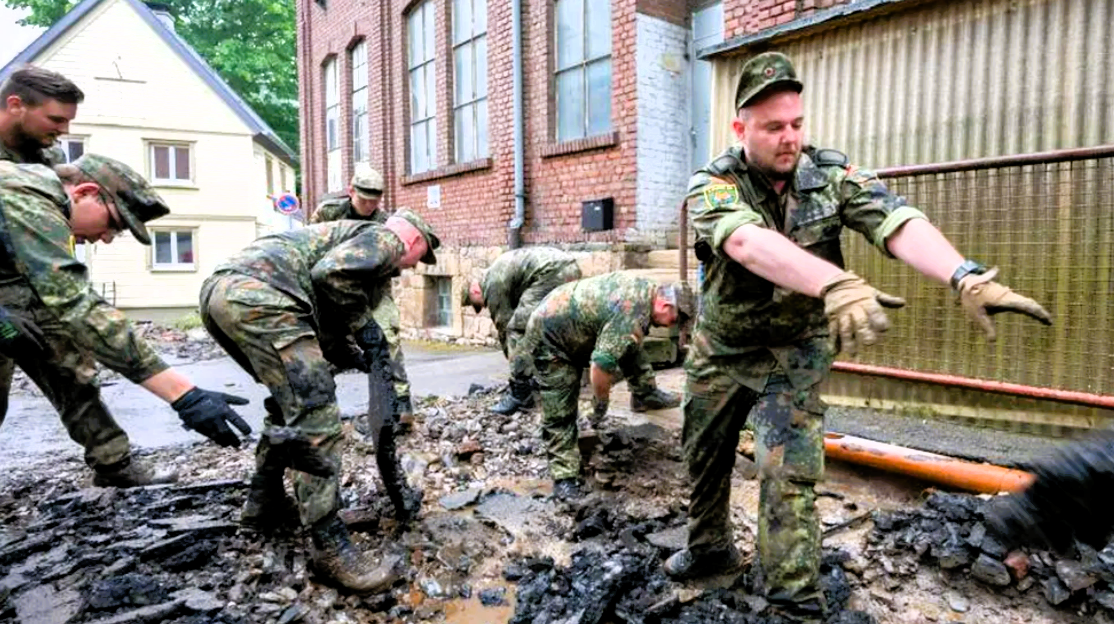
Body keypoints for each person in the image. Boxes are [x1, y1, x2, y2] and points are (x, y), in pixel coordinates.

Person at [665, 51, 1053, 618]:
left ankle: (792, 600)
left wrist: (961, 273)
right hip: (722, 350)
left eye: (797, 123)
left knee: (788, 474)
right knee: (704, 456)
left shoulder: (829, 174)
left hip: (794, 355)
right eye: (774, 127)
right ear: (740, 127)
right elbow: (746, 243)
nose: (789, 138)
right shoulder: (713, 182)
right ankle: (710, 550)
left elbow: (895, 220)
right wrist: (837, 283)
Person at [198, 208, 440, 591]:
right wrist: (365, 327)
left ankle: (265, 504)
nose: (404, 269)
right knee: (316, 412)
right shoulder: (386, 240)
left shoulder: (340, 235)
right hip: (261, 298)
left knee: (289, 403)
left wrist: (346, 352)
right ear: (412, 241)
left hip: (223, 294)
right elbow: (330, 275)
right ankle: (328, 545)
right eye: (416, 258)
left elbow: (320, 294)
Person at [0, 154, 254, 487]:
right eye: (115, 223)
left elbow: (72, 305)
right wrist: (183, 394)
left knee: (70, 364)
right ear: (86, 193)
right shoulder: (21, 192)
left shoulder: (50, 215)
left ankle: (113, 463)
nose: (106, 238)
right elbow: (78, 304)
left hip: (15, 290)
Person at [523, 271, 690, 500]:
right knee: (560, 408)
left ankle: (645, 394)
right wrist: (601, 403)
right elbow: (600, 366)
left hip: (571, 321)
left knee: (630, 343)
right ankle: (564, 476)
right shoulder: (629, 312)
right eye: (677, 318)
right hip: (550, 339)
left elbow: (623, 342)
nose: (675, 324)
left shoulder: (647, 293)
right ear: (665, 303)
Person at [310, 162, 413, 427]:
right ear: (350, 191)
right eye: (364, 200)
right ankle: (319, 411)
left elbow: (391, 263)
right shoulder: (329, 213)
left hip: (373, 288)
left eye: (374, 201)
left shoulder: (384, 221)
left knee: (388, 340)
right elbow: (311, 249)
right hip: (331, 289)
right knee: (325, 347)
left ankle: (400, 407)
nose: (370, 206)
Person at [461, 246, 582, 415]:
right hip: (570, 267)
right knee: (546, 327)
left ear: (475, 289)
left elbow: (505, 328)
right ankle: (552, 378)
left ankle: (520, 393)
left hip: (551, 272)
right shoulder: (499, 273)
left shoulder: (491, 284)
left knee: (516, 328)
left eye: (477, 303)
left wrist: (514, 364)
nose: (483, 306)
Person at [0, 66, 80, 166]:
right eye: (56, 120)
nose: (65, 130)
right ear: (15, 106)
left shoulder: (50, 152)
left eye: (68, 121)